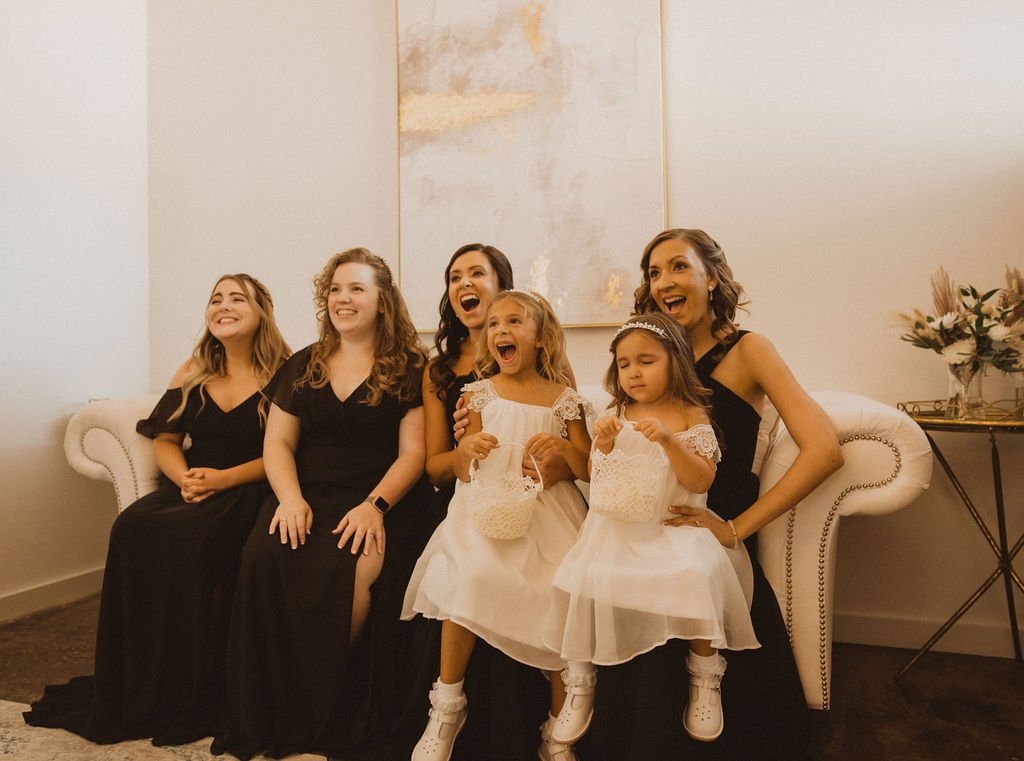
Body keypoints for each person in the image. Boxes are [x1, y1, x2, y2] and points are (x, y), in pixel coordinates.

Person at [584, 229, 844, 760]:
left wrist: (735, 529)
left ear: (713, 277)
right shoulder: (644, 358)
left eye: (678, 267)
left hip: (701, 536)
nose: (663, 283)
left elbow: (824, 450)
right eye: (654, 273)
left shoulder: (749, 351)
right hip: (636, 535)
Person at [24, 274, 291, 746]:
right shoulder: (194, 369)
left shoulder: (286, 372)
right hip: (192, 484)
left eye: (237, 299)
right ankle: (141, 680)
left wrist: (223, 479)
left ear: (261, 312)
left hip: (249, 488)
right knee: (132, 526)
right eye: (215, 299)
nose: (223, 307)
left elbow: (287, 452)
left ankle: (191, 686)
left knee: (188, 541)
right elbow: (166, 439)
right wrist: (183, 477)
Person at [210, 249, 436, 760]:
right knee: (262, 559)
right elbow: (278, 444)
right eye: (335, 289)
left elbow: (414, 454)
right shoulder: (303, 363)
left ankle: (323, 704)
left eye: (356, 288)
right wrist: (288, 499)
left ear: (382, 300)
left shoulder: (410, 366)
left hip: (377, 498)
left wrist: (374, 506)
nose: (343, 298)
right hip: (304, 494)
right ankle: (273, 706)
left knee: (351, 569)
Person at [545, 313, 759, 748]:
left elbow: (701, 480)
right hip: (618, 528)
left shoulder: (689, 413)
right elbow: (596, 478)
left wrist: (667, 439)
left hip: (672, 525)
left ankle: (704, 674)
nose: (634, 372)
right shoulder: (617, 411)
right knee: (577, 578)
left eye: (646, 361)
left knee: (698, 574)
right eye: (624, 364)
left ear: (675, 362)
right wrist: (601, 446)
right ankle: (580, 679)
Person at [403, 289, 592, 761]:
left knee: (562, 589)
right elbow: (461, 466)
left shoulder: (565, 399)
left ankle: (557, 733)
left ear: (541, 339)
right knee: (469, 576)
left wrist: (563, 453)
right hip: (486, 506)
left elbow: (589, 464)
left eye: (514, 322)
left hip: (549, 509)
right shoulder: (478, 393)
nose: (501, 331)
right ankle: (446, 706)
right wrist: (466, 453)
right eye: (493, 324)